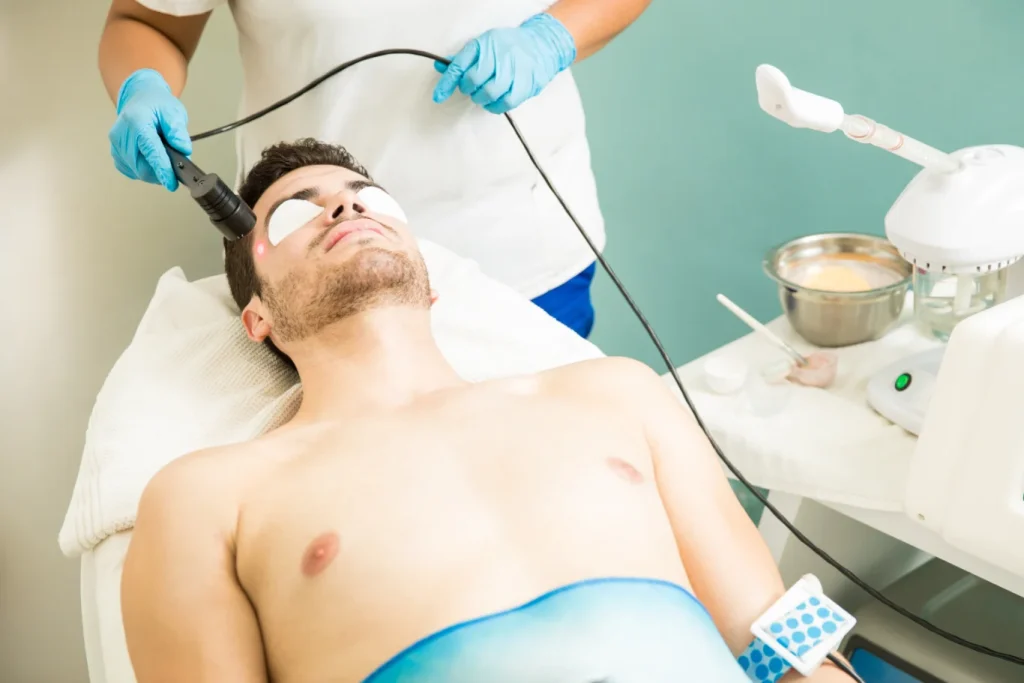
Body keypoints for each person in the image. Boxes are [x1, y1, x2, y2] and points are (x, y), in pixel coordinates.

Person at [119, 138, 857, 683]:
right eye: (289, 218)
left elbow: (779, 634)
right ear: (257, 319)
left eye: (366, 197)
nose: (345, 205)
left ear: (431, 278)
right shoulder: (208, 496)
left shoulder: (616, 393)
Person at [99, 0, 655, 339]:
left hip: (517, 243)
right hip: (324, 280)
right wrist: (139, 87)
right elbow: (145, 20)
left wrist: (552, 39)